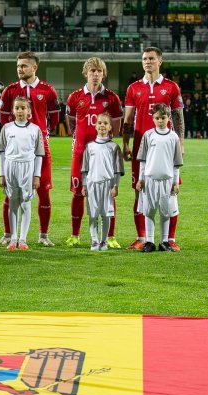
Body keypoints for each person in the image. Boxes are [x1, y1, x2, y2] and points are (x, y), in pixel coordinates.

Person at [123, 47, 184, 251]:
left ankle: (170, 239)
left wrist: (181, 143)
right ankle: (143, 238)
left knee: (171, 191)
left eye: (151, 58)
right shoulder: (133, 88)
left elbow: (178, 116)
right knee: (139, 191)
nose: (147, 62)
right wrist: (125, 143)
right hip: (142, 147)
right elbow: (128, 120)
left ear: (160, 61)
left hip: (166, 148)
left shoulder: (171, 87)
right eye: (144, 59)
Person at [0, 51, 59, 246]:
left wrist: (40, 134)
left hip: (39, 147)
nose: (20, 69)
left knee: (43, 190)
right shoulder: (10, 90)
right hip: (15, 150)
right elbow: (3, 118)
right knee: (11, 192)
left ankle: (43, 235)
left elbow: (55, 119)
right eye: (18, 66)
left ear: (34, 67)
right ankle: (9, 235)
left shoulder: (48, 90)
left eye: (24, 66)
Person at [64, 57, 123, 248]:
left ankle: (110, 236)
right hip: (81, 152)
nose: (96, 75)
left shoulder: (112, 98)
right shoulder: (74, 97)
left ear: (103, 74)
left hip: (103, 154)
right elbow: (71, 123)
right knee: (78, 193)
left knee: (108, 193)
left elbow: (116, 125)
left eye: (99, 71)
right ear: (86, 73)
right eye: (92, 71)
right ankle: (75, 235)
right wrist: (79, 140)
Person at [0, 97, 44, 250]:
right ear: (13, 110)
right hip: (11, 167)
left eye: (23, 108)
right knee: (13, 203)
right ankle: (13, 238)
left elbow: (38, 155)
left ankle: (23, 239)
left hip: (27, 169)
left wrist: (37, 175)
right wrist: (1, 173)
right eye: (17, 108)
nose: (20, 111)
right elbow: (2, 153)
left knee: (25, 203)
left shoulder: (35, 129)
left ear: (29, 111)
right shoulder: (7, 128)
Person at [136, 104, 182, 252]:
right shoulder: (148, 135)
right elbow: (142, 160)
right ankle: (149, 242)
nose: (160, 121)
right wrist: (140, 179)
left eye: (163, 118)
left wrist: (176, 181)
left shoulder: (173, 137)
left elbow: (176, 163)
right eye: (157, 118)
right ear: (153, 118)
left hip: (167, 181)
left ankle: (164, 241)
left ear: (168, 118)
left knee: (165, 211)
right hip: (150, 180)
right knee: (149, 211)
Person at [81, 113, 124, 251]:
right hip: (92, 183)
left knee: (106, 214)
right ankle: (94, 241)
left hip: (107, 184)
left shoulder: (114, 147)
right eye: (99, 123)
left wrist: (115, 186)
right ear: (95, 125)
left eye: (105, 123)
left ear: (110, 127)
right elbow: (85, 168)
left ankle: (104, 241)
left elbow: (117, 170)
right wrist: (84, 185)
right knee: (93, 214)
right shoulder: (90, 146)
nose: (102, 126)